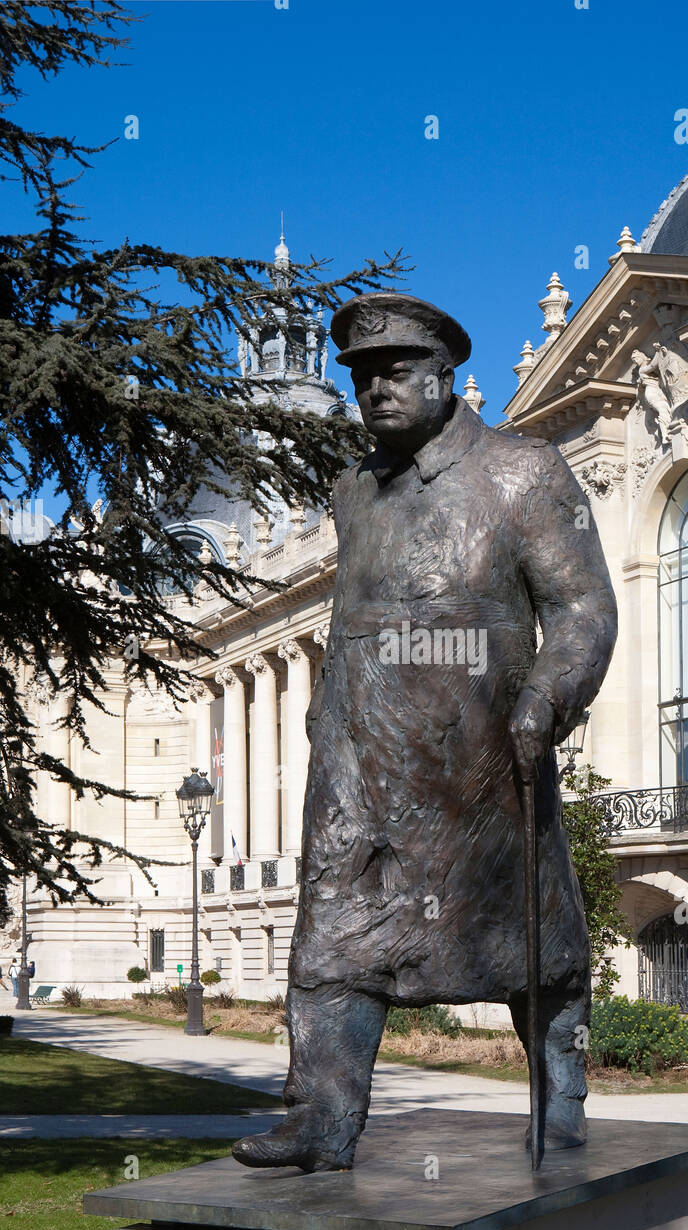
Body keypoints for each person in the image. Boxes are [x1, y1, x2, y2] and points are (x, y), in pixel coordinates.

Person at [233, 293, 617, 1171]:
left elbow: (585, 608)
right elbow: (351, 614)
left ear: (445, 378)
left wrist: (550, 697)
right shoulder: (352, 493)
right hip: (360, 758)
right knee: (330, 931)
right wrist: (325, 712)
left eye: (396, 372)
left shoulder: (526, 471)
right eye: (364, 376)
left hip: (482, 753)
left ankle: (559, 1090)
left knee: (532, 936)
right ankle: (322, 1117)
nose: (376, 390)